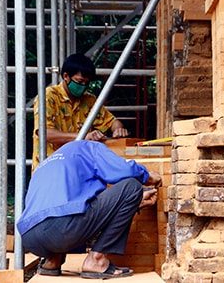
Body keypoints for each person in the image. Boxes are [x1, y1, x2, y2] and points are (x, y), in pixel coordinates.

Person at [17, 140, 161, 279]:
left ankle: (52, 261)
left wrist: (133, 203)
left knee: (61, 213)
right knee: (131, 187)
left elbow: (80, 204)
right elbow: (125, 169)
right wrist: (146, 176)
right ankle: (97, 260)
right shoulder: (88, 147)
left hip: (29, 238)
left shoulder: (47, 164)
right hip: (62, 229)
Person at [32, 53, 129, 171]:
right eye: (79, 81)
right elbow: (46, 133)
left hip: (78, 170)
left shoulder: (89, 100)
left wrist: (118, 129)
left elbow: (112, 121)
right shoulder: (48, 97)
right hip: (50, 170)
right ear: (66, 76)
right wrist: (84, 137)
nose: (83, 86)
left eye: (86, 83)